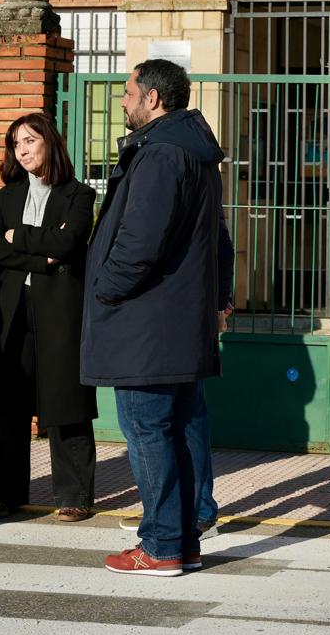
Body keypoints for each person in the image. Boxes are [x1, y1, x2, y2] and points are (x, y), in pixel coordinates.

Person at [82, 60, 233, 577]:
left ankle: (162, 543)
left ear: (152, 99)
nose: (122, 102)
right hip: (179, 320)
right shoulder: (193, 154)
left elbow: (139, 243)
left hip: (146, 322)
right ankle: (184, 539)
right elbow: (220, 240)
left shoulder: (162, 154)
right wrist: (219, 299)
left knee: (148, 429)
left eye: (127, 93)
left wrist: (103, 289)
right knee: (182, 426)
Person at [0, 112, 98, 521]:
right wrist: (44, 253)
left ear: (49, 143)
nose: (22, 150)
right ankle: (5, 494)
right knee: (10, 401)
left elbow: (68, 240)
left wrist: (20, 237)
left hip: (60, 308)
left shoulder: (79, 195)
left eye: (29, 141)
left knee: (66, 398)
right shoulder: (5, 197)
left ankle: (74, 495)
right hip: (13, 308)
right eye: (16, 144)